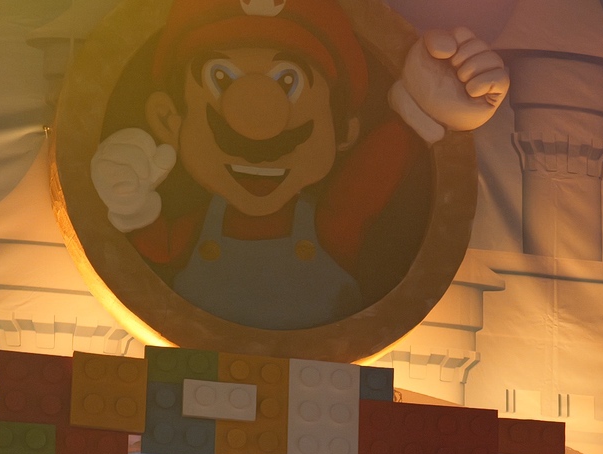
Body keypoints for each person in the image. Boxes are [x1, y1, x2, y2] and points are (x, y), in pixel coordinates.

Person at [90, 0, 508, 328]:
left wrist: (422, 110)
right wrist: (129, 199)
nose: (257, 130)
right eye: (221, 79)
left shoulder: (328, 229)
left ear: (342, 131)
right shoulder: (201, 229)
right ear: (169, 120)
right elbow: (159, 248)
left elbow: (363, 189)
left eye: (288, 82)